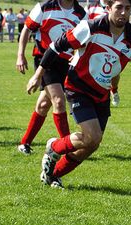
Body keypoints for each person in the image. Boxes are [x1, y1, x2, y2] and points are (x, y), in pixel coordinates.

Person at [26, 0, 131, 188]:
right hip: (78, 87)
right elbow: (57, 46)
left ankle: (53, 174)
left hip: (101, 93)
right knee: (92, 136)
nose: (123, 12)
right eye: (119, 7)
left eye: (127, 8)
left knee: (91, 145)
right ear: (109, 8)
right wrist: (37, 74)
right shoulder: (91, 27)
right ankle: (54, 147)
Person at [15, 0, 87, 155]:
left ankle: (24, 143)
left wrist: (77, 57)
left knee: (43, 105)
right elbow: (27, 29)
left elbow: (84, 42)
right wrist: (20, 55)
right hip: (44, 61)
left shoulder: (81, 13)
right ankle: (67, 146)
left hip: (66, 64)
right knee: (59, 101)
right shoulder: (44, 6)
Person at [86, 0, 121, 107]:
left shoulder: (117, 5)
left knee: (114, 73)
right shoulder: (91, 8)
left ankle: (114, 91)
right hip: (94, 47)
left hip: (113, 45)